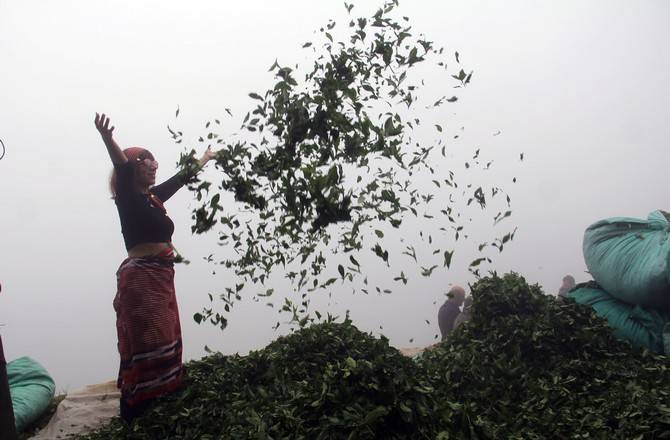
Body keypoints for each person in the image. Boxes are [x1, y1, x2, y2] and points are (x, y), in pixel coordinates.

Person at [95, 113, 217, 423]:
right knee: (147, 339)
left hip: (161, 278)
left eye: (155, 164)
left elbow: (180, 179)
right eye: (147, 163)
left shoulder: (152, 198)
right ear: (135, 169)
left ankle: (164, 395)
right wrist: (109, 139)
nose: (153, 168)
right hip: (141, 280)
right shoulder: (128, 198)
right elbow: (122, 167)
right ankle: (137, 406)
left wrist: (205, 157)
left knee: (165, 335)